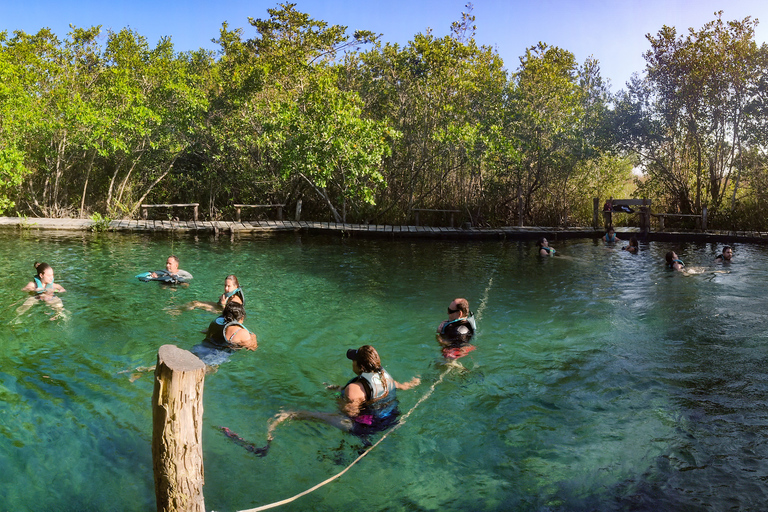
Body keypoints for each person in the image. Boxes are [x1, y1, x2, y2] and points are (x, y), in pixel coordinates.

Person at [261, 345, 420, 448]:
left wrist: (338, 396)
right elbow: (401, 386)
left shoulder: (354, 389)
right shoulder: (385, 375)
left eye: (354, 361)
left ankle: (285, 417)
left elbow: (349, 413)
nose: (352, 363)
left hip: (367, 427)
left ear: (361, 366)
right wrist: (413, 383)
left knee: (300, 413)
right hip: (392, 419)